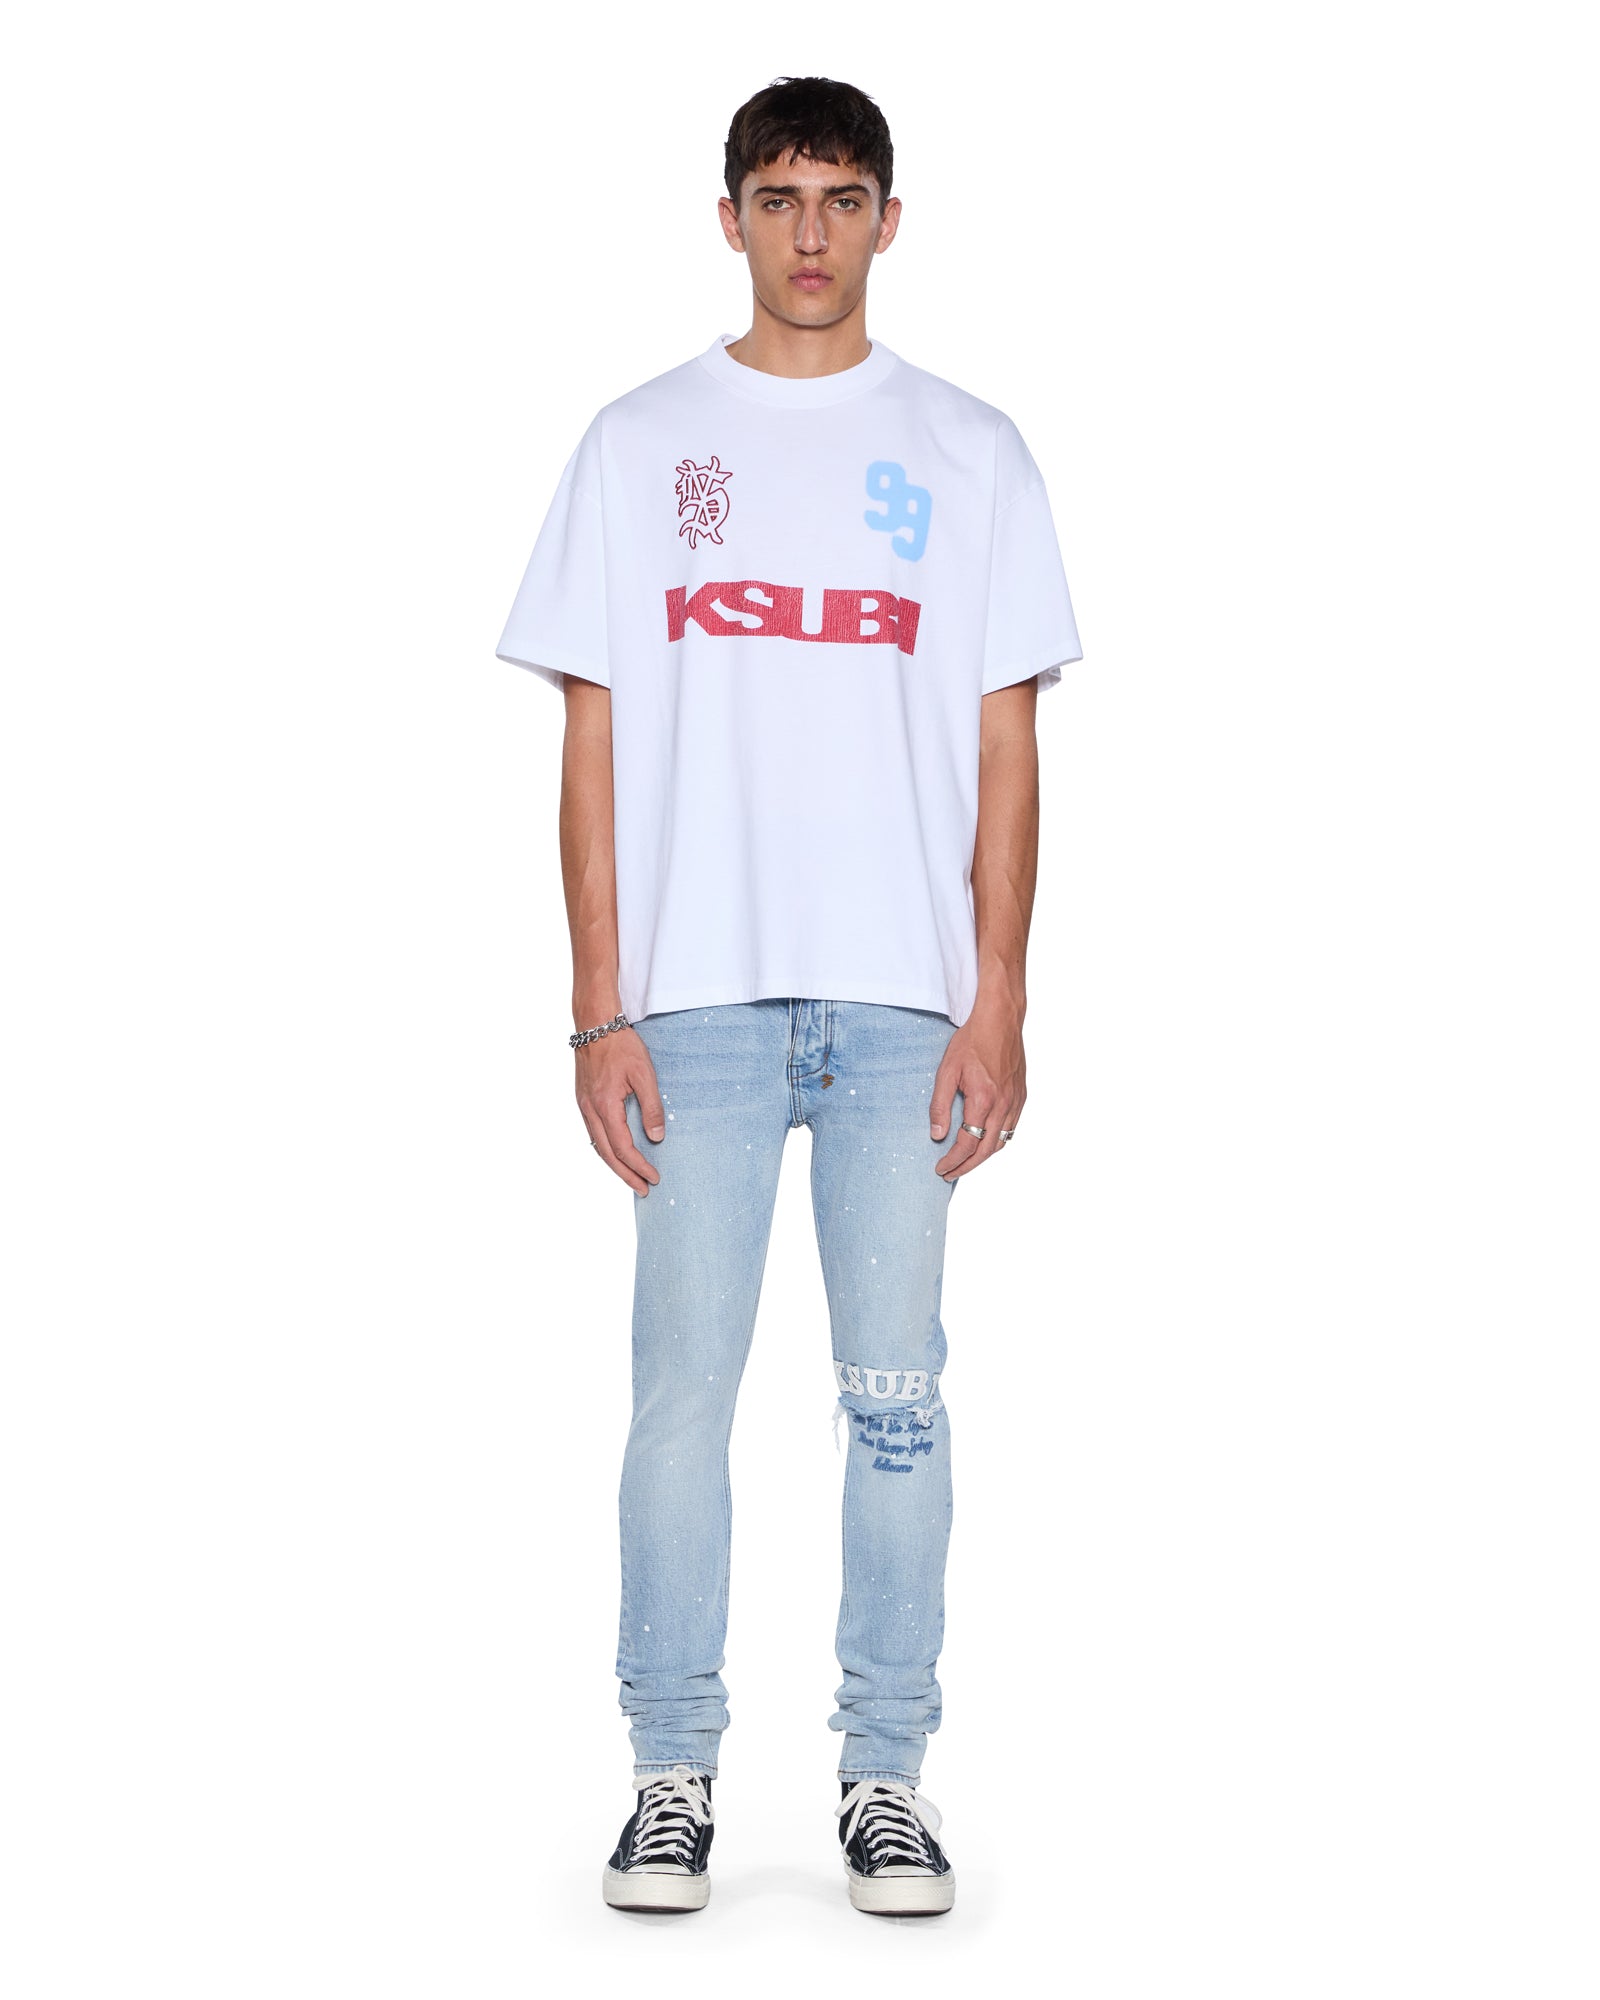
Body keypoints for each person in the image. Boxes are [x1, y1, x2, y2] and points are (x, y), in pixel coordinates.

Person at [495, 74, 1082, 1919]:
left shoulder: (973, 452)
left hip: (907, 1005)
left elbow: (1008, 751)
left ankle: (885, 1776)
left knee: (896, 1397)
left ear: (890, 220)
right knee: (682, 1400)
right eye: (779, 197)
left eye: (842, 198)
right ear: (730, 218)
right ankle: (670, 1773)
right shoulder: (639, 444)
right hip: (701, 1007)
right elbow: (593, 744)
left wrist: (999, 997)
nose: (811, 232)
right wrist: (600, 1009)